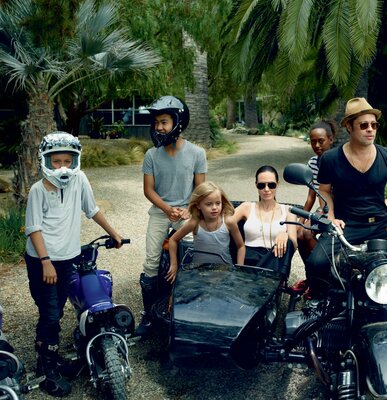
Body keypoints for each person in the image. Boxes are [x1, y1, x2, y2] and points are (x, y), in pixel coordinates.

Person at [305, 97, 387, 309]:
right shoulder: (330, 159)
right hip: (346, 226)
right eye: (363, 125)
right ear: (349, 126)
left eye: (374, 125)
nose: (370, 130)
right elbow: (325, 192)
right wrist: (331, 219)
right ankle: (321, 308)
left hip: (380, 227)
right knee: (316, 263)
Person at [24, 132, 124, 397]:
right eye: (56, 161)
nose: (62, 167)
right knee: (50, 311)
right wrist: (45, 261)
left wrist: (113, 232)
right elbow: (33, 228)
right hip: (42, 259)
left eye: (67, 160)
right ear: (45, 160)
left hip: (68, 257)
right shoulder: (38, 190)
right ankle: (46, 369)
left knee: (58, 309)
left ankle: (51, 358)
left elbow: (91, 209)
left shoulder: (79, 180)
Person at [137, 95, 207, 337]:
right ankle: (149, 314)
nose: (159, 128)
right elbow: (148, 190)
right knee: (150, 263)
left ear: (177, 122)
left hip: (187, 211)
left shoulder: (197, 153)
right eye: (156, 123)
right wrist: (167, 209)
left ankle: (186, 309)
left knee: (191, 257)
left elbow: (200, 189)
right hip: (160, 211)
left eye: (164, 122)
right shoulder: (151, 155)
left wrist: (190, 208)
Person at [166, 181, 245, 282]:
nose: (214, 208)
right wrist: (174, 265)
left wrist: (240, 269)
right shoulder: (195, 223)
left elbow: (241, 246)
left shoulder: (228, 222)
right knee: (174, 296)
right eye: (209, 204)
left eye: (218, 203)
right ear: (198, 205)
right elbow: (173, 240)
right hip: (199, 271)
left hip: (224, 270)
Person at [233, 165, 297, 272]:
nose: (266, 189)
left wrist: (285, 235)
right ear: (256, 185)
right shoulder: (247, 207)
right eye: (261, 185)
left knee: (288, 243)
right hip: (251, 260)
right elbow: (223, 224)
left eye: (271, 185)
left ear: (278, 184)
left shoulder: (287, 211)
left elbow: (294, 246)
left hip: (275, 260)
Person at [297, 120, 336, 262]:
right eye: (313, 142)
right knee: (299, 233)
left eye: (321, 141)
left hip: (340, 210)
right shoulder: (313, 162)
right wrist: (300, 221)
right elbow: (311, 196)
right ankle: (311, 275)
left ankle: (325, 267)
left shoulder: (339, 160)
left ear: (331, 140)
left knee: (307, 233)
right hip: (323, 210)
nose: (317, 146)